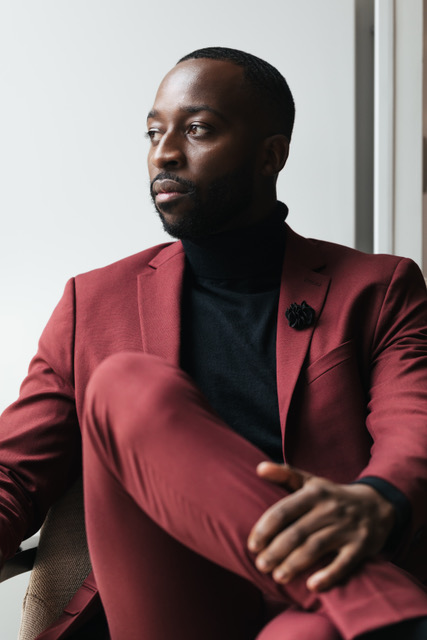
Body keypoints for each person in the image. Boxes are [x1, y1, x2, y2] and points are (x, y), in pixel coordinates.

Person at [1, 47, 427, 640]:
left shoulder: (378, 288)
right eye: (154, 132)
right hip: (165, 599)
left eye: (197, 129)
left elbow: (414, 428)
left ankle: (358, 602)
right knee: (126, 381)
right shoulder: (92, 302)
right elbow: (15, 475)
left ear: (271, 155)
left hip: (307, 614)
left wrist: (377, 500)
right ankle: (377, 604)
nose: (164, 153)